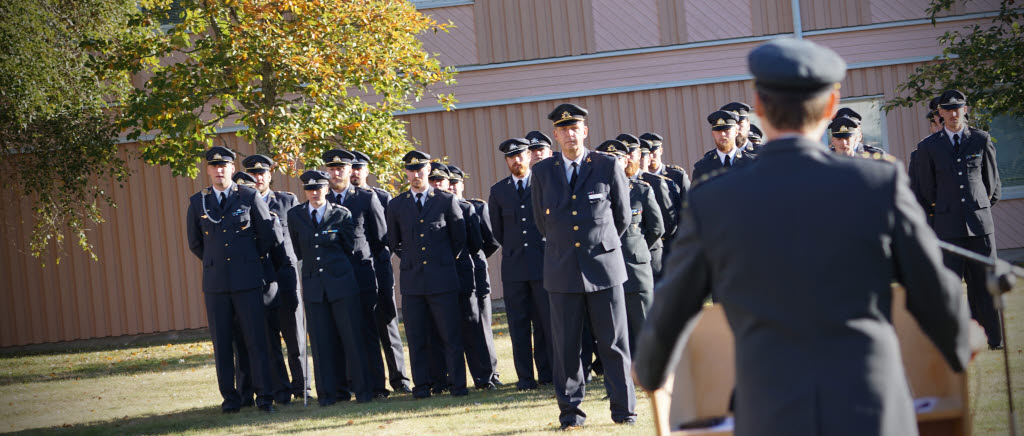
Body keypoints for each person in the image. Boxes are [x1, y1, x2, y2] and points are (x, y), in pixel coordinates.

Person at [633, 38, 974, 436]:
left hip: (770, 411)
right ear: (831, 108)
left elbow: (674, 304)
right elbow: (933, 289)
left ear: (758, 109)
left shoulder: (715, 199)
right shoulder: (879, 183)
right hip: (871, 407)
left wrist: (650, 368)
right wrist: (960, 342)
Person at [531, 103, 636, 429]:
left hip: (604, 269)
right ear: (556, 135)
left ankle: (624, 412)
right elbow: (541, 222)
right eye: (562, 130)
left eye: (574, 128)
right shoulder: (543, 171)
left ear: (585, 131)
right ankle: (571, 415)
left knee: (614, 345)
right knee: (566, 349)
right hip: (562, 272)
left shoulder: (605, 165)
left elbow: (622, 217)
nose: (569, 134)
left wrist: (599, 247)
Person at [186, 146, 290, 413]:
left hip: (248, 281)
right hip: (216, 284)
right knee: (222, 344)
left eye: (225, 165)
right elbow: (196, 244)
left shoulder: (249, 195)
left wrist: (248, 261)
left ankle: (264, 397)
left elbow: (266, 235)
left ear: (232, 168)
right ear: (208, 170)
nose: (219, 170)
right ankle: (231, 399)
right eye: (214, 166)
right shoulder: (199, 201)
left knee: (257, 341)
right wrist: (217, 263)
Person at [915, 89, 1003, 350]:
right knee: (951, 289)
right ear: (939, 113)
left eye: (958, 108)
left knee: (986, 287)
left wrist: (978, 209)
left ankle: (993, 339)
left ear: (965, 110)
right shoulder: (928, 147)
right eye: (948, 109)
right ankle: (956, 341)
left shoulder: (980, 139)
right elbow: (926, 191)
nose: (953, 113)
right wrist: (945, 212)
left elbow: (992, 186)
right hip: (948, 228)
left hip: (979, 228)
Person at [386, 150, 469, 398]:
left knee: (450, 336)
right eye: (411, 171)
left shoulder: (445, 200)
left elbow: (459, 239)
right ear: (406, 173)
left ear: (428, 170)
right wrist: (414, 261)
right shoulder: (397, 205)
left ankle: (457, 385)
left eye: (420, 169)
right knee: (417, 337)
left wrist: (440, 262)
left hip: (443, 279)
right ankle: (422, 386)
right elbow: (395, 242)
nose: (416, 175)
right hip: (413, 282)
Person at [287, 170, 374, 405]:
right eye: (310, 189)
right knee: (322, 343)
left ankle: (363, 392)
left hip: (342, 286)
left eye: (319, 188)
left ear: (327, 189)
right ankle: (328, 394)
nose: (314, 193)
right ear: (304, 191)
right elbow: (298, 249)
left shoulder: (341, 214)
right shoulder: (295, 215)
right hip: (315, 287)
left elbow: (349, 248)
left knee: (352, 340)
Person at [322, 148, 390, 398]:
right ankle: (344, 387)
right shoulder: (321, 200)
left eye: (341, 168)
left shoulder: (365, 198)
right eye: (332, 169)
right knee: (338, 333)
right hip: (334, 277)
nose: (336, 172)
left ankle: (377, 386)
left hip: (361, 275)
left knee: (368, 332)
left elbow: (381, 238)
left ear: (351, 171)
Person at [488, 138, 554, 390]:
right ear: (507, 161)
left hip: (542, 264)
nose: (516, 161)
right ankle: (525, 378)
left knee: (546, 323)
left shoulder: (544, 183)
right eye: (510, 157)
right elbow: (499, 231)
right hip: (514, 269)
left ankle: (548, 374)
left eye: (520, 155)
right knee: (518, 325)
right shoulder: (499, 191)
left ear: (528, 156)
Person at [242, 155, 307, 403]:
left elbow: (301, 234)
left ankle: (302, 387)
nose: (258, 178)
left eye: (262, 173)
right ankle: (281, 390)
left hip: (286, 276)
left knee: (294, 336)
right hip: (261, 278)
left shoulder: (287, 201)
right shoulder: (244, 203)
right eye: (253, 173)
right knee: (269, 340)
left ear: (270, 175)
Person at [350, 150, 413, 394]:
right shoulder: (341, 199)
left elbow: (390, 236)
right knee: (360, 327)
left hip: (379, 269)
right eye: (352, 167)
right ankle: (369, 381)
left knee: (387, 325)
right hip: (354, 273)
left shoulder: (382, 197)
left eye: (359, 167)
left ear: (367, 170)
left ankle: (400, 380)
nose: (355, 172)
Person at [595, 140, 663, 355]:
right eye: (610, 159)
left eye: (619, 158)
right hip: (608, 270)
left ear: (626, 161)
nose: (615, 162)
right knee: (616, 327)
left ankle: (652, 368)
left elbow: (656, 228)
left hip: (635, 268)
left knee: (643, 322)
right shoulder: (597, 194)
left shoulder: (641, 190)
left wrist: (637, 249)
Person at [449, 165, 502, 389]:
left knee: (481, 327)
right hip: (447, 277)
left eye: (455, 182)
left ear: (462, 184)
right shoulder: (437, 208)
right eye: (445, 182)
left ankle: (490, 374)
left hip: (475, 276)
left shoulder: (477, 207)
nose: (450, 186)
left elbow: (490, 242)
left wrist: (472, 260)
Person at [691, 109, 757, 184]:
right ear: (713, 134)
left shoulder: (752, 163)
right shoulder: (702, 168)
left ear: (736, 132)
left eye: (726, 130)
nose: (722, 135)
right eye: (718, 131)